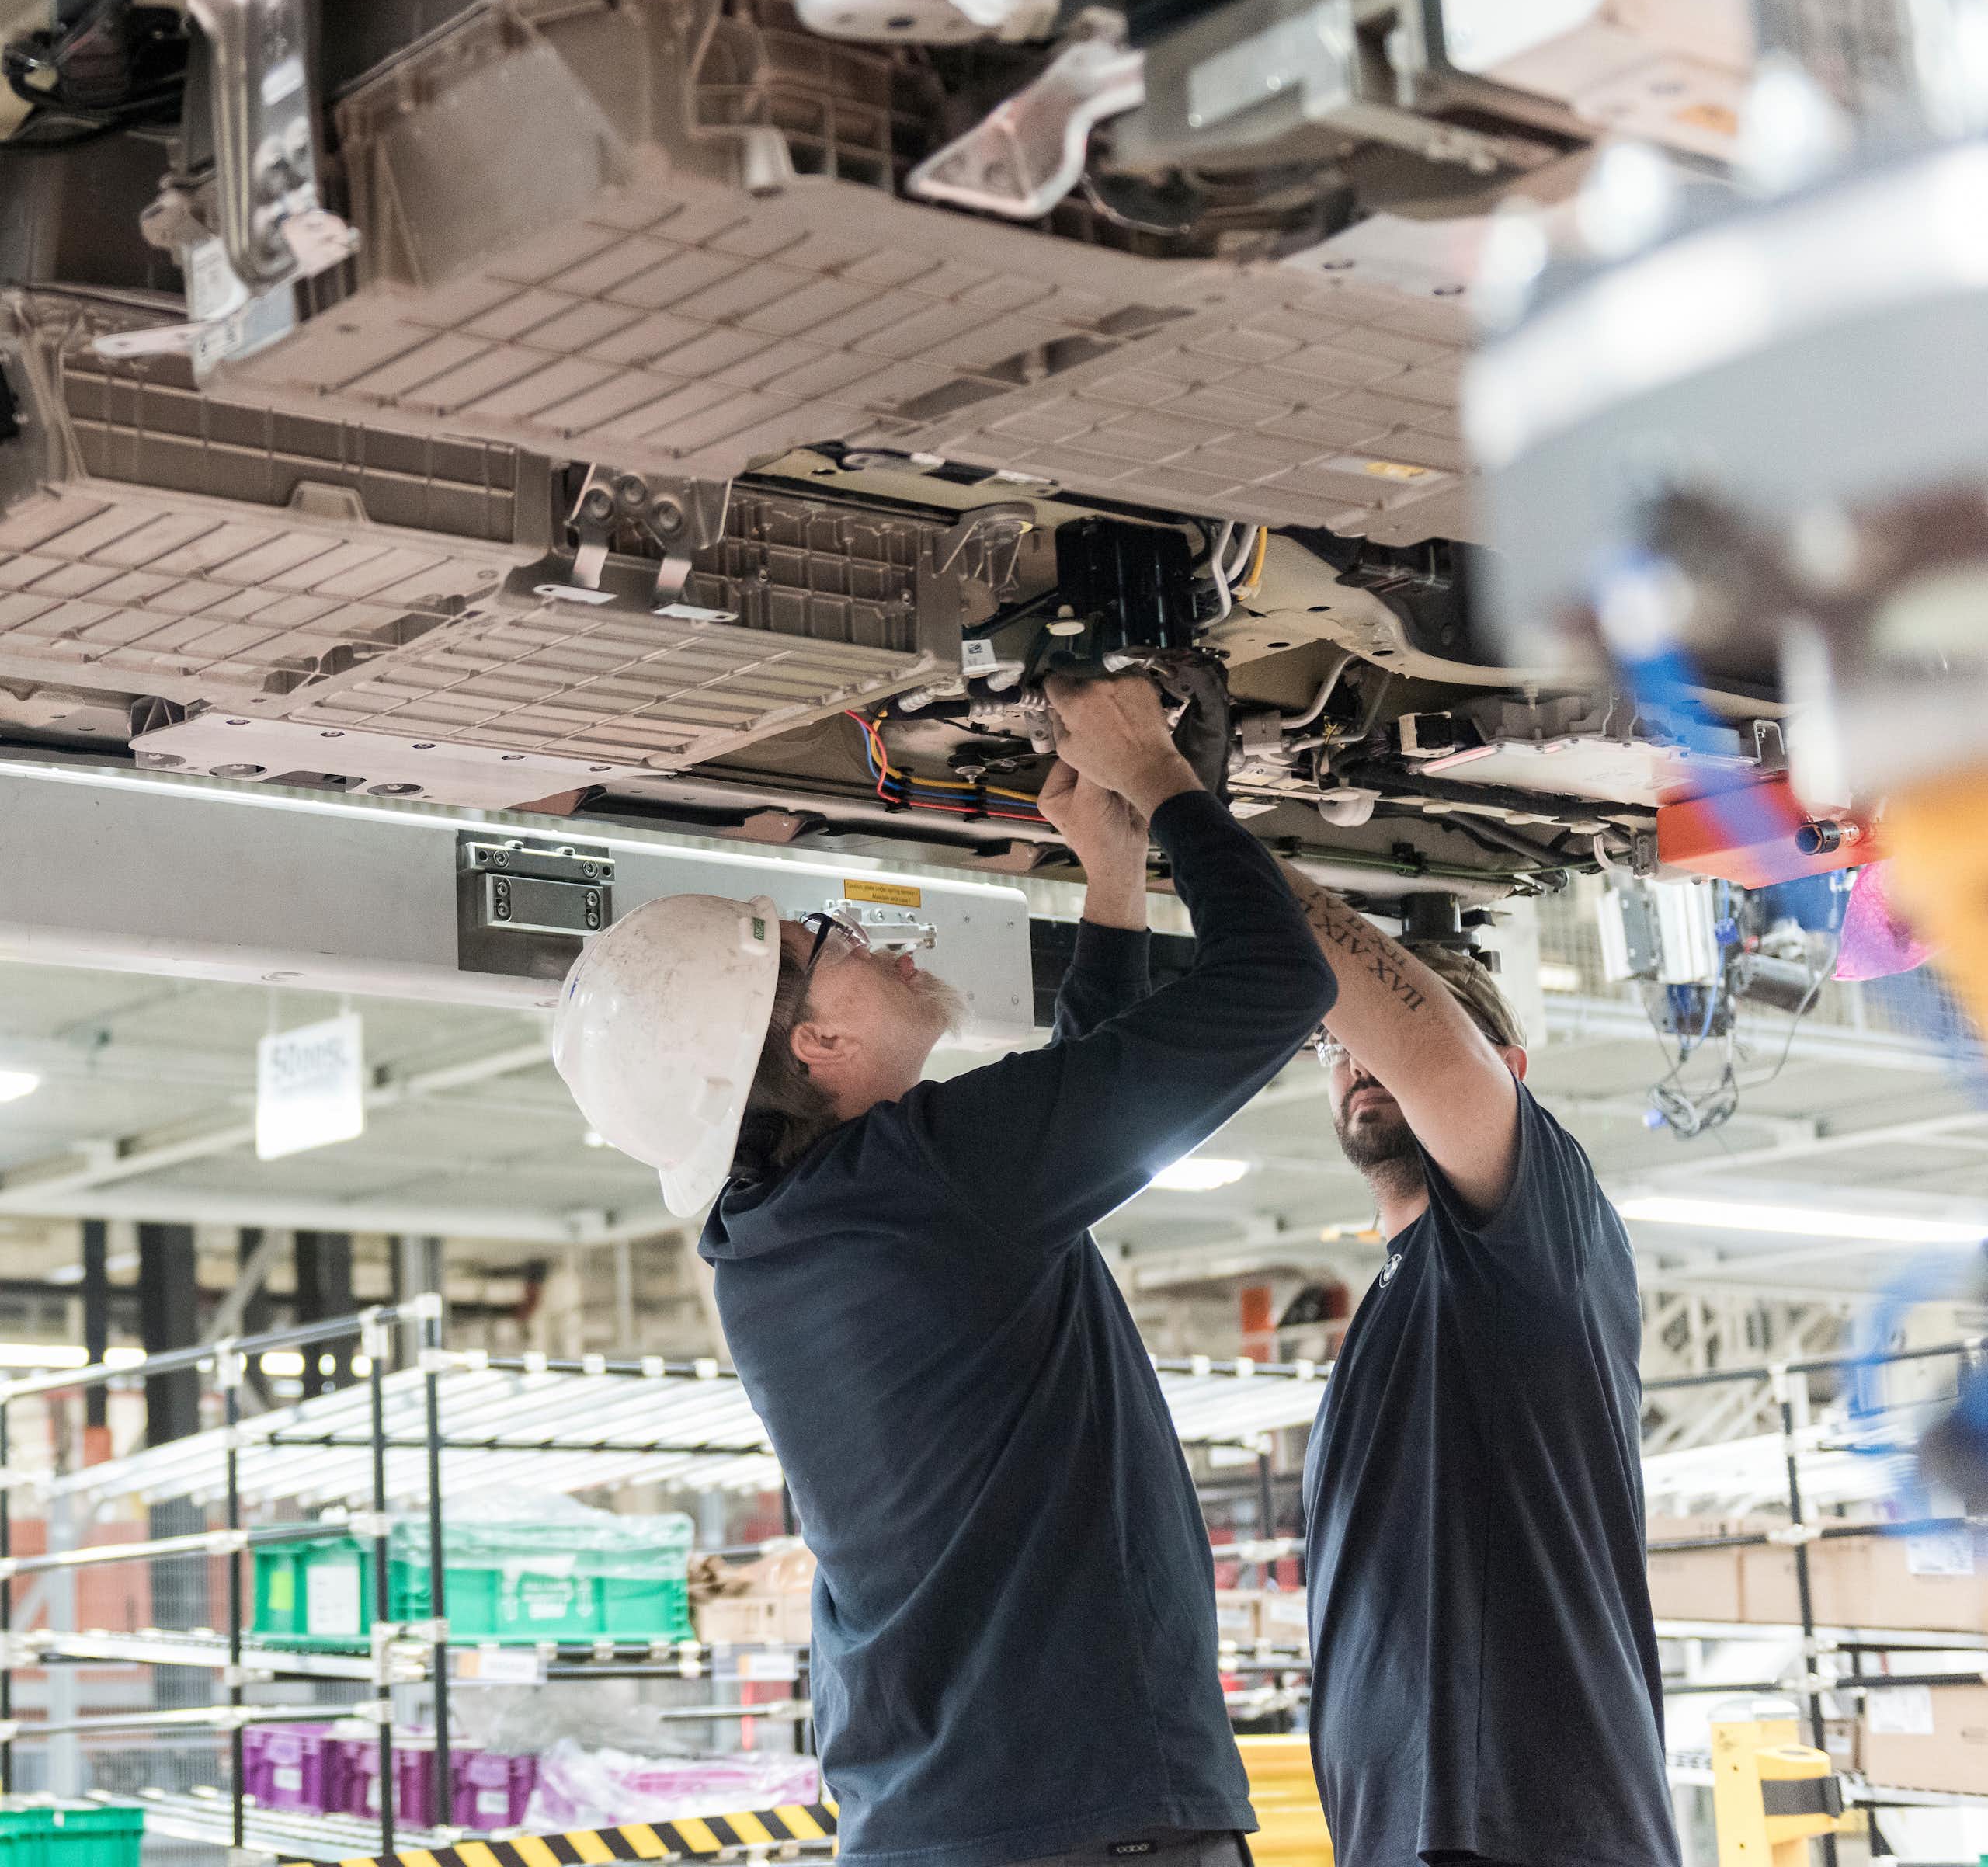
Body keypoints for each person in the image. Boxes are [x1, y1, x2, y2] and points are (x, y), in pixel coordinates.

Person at [555, 674, 1337, 1867]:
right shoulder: (919, 1186)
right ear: (817, 1045)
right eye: (830, 945)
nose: (869, 937)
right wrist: (1159, 776)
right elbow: (1277, 984)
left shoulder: (782, 1241)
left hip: (946, 1819)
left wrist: (1114, 885)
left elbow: (1082, 1114)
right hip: (1081, 1823)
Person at [1281, 874, 1679, 1867]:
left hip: (1529, 1830)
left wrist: (1182, 804)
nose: (1356, 1060)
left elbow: (1430, 1059)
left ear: (1506, 1068)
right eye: (1334, 1045)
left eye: (1379, 1037)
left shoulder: (1537, 1236)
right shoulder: (1394, 1302)